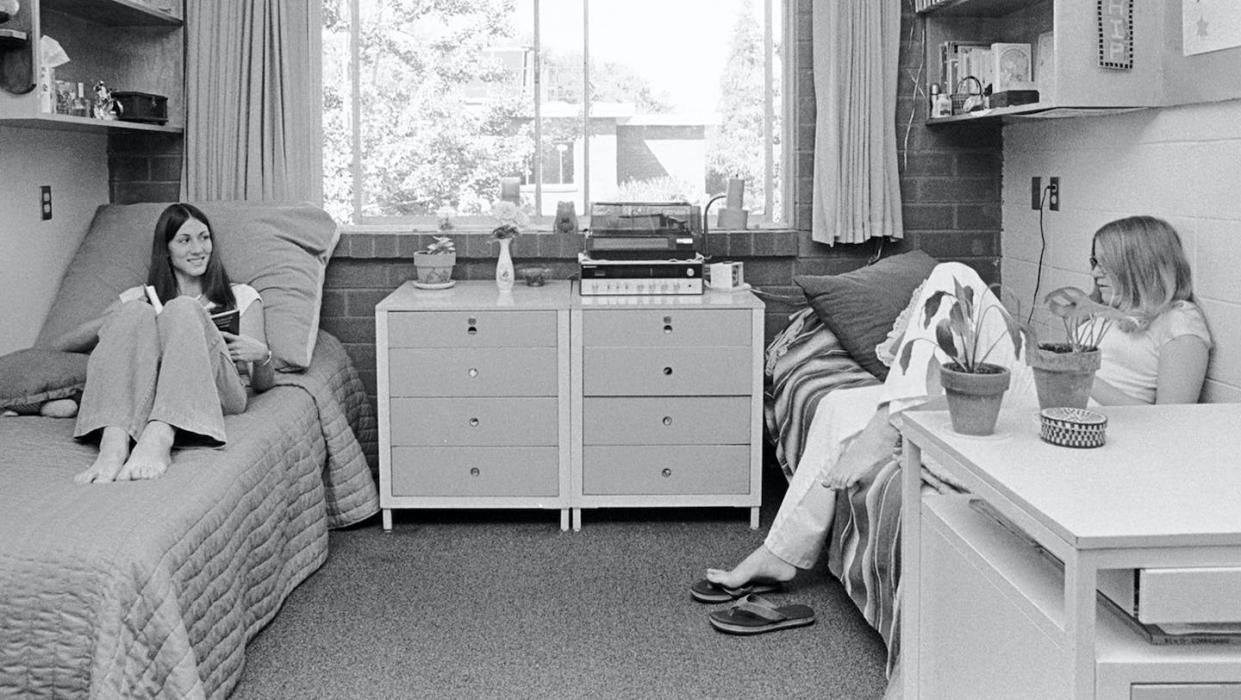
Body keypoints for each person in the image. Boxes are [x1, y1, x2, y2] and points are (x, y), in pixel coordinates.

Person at [701, 214, 1212, 594]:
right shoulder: (1104, 315)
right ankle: (781, 553)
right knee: (838, 408)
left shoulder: (1180, 325)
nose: (1094, 270)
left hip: (1076, 411)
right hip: (1048, 396)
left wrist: (1077, 371)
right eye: (1094, 260)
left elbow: (1171, 426)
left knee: (955, 277)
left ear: (1139, 265)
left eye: (1105, 262)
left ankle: (889, 425)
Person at [58, 203, 277, 484]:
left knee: (183, 308)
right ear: (166, 249)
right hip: (151, 391)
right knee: (135, 313)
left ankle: (161, 434)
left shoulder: (242, 295)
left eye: (204, 237)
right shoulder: (139, 296)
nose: (198, 249)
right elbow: (62, 344)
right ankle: (114, 440)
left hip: (218, 391)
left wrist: (263, 356)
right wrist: (117, 315)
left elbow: (262, 384)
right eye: (185, 240)